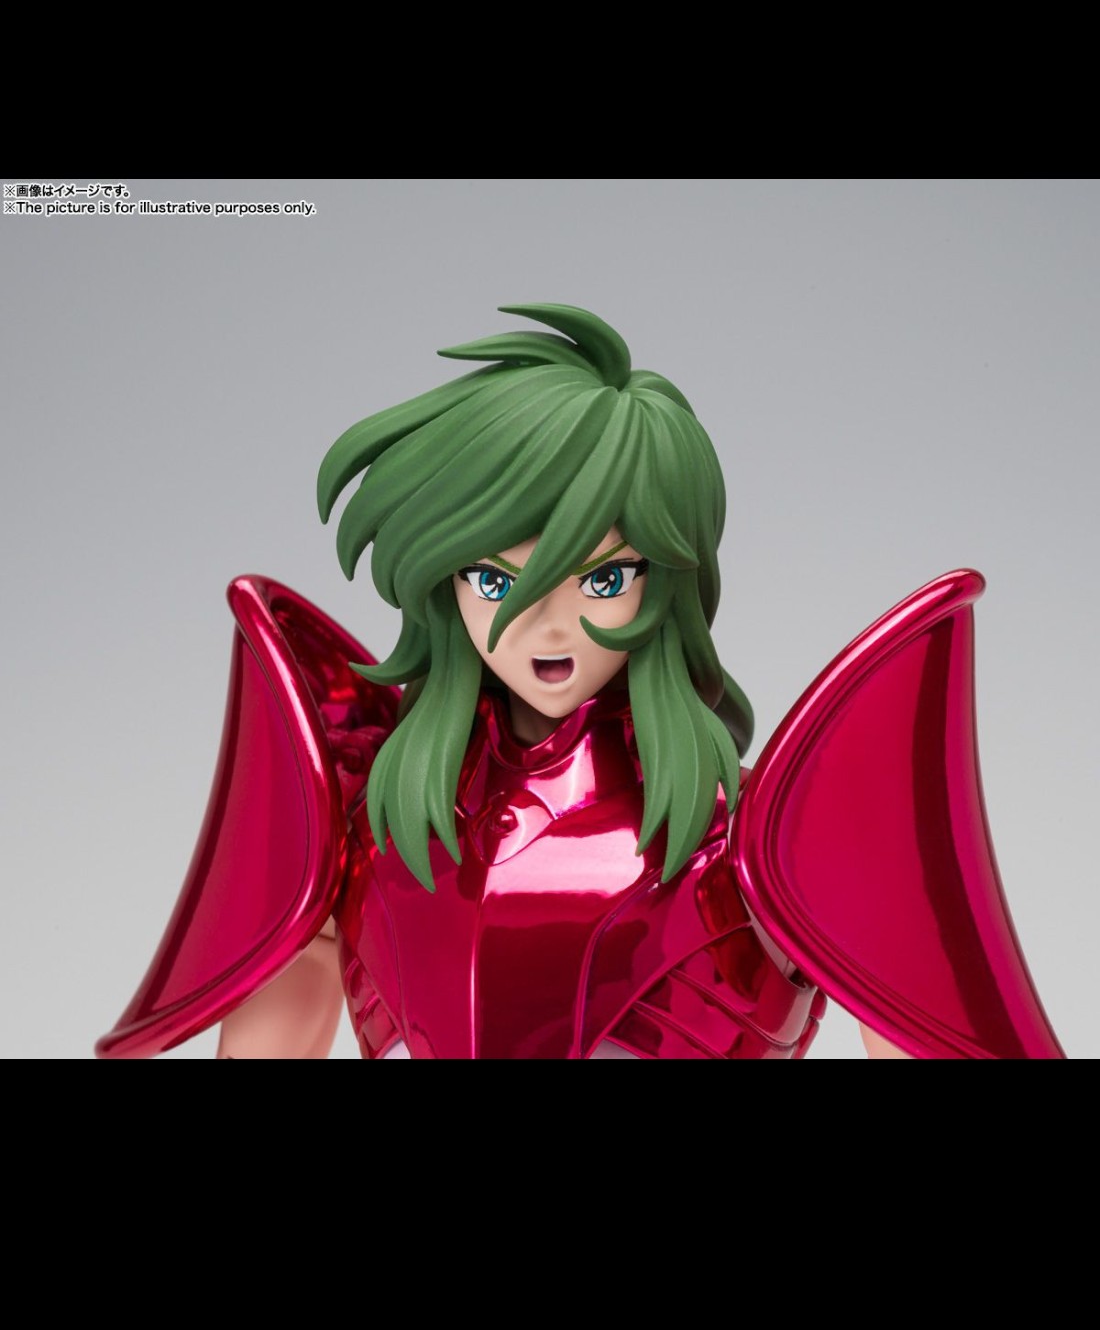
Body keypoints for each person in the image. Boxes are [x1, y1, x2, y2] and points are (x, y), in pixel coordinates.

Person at [97, 304, 1065, 1059]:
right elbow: (288, 996)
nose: (546, 626)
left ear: (668, 580)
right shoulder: (375, 832)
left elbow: (907, 1013)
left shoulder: (745, 845)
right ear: (440, 588)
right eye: (493, 580)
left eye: (603, 578)